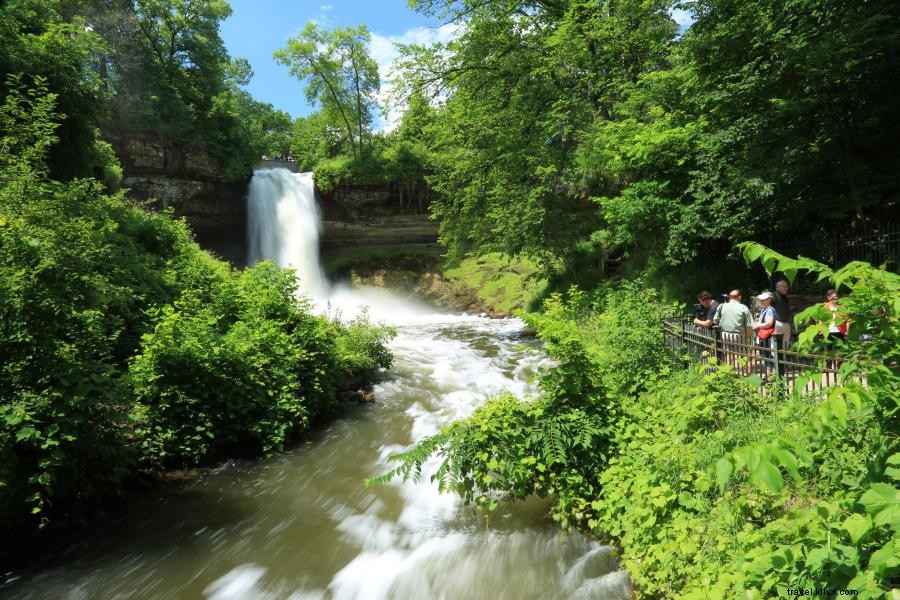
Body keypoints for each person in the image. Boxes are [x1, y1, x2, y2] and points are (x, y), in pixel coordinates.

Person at [714, 289, 753, 369]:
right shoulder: (743, 308)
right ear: (739, 297)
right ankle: (746, 373)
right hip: (739, 335)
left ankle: (729, 372)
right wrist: (747, 338)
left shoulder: (721, 306)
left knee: (728, 354)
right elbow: (749, 326)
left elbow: (715, 320)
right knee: (744, 356)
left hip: (724, 334)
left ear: (729, 297)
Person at [752, 292, 777, 377]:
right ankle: (769, 372)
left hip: (769, 335)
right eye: (761, 299)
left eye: (764, 299)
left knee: (769, 353)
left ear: (769, 300)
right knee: (766, 353)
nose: (761, 301)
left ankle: (771, 373)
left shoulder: (770, 310)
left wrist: (758, 325)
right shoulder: (764, 309)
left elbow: (769, 323)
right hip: (764, 335)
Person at [772, 279, 793, 350]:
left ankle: (784, 356)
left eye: (787, 286)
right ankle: (776, 357)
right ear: (778, 287)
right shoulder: (773, 296)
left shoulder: (785, 297)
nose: (787, 288)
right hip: (778, 323)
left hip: (786, 323)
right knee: (776, 345)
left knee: (785, 344)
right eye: (784, 286)